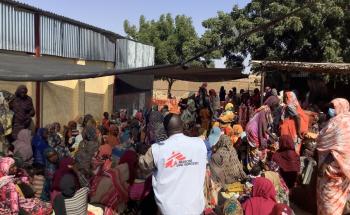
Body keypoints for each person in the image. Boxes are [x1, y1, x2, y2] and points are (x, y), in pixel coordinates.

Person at [139, 114, 207, 215]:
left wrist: (138, 155)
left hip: (169, 210)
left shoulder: (157, 149)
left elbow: (143, 165)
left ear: (165, 129)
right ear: (182, 126)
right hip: (196, 208)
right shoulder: (200, 144)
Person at [317, 98, 350, 215]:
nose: (331, 110)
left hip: (335, 171)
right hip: (338, 171)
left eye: (333, 107)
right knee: (331, 202)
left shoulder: (342, 123)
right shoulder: (335, 121)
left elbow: (337, 148)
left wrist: (323, 165)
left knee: (330, 205)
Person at [245, 96, 279, 170]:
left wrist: (272, 136)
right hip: (254, 132)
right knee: (258, 151)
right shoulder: (264, 111)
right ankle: (254, 169)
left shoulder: (265, 109)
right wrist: (262, 142)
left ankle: (253, 167)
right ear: (272, 104)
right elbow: (262, 128)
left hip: (252, 130)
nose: (276, 108)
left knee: (255, 150)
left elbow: (264, 128)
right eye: (275, 106)